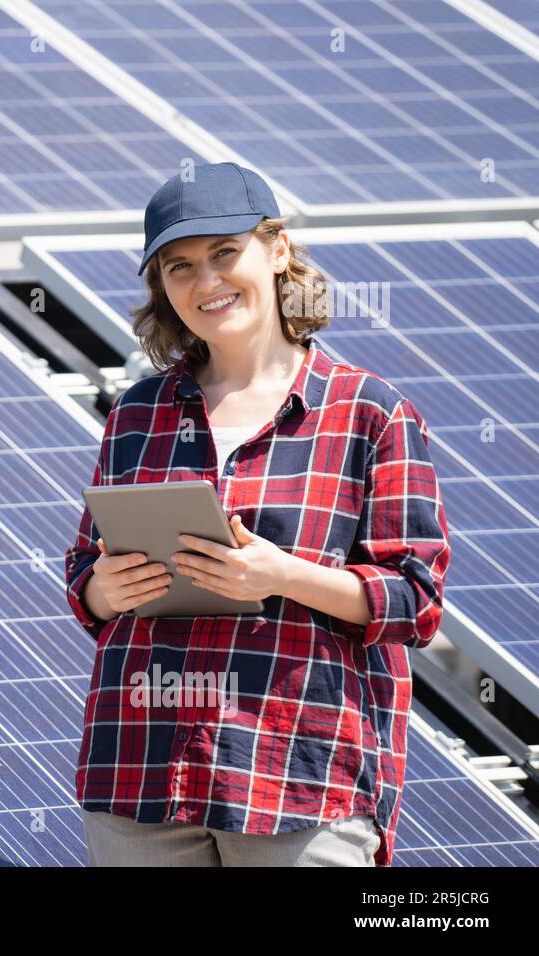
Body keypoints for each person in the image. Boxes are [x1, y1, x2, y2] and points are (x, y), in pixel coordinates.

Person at [65, 162, 451, 866]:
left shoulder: (369, 413)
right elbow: (86, 571)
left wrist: (281, 575)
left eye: (224, 253)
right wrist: (103, 588)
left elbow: (416, 602)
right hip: (141, 779)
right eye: (179, 266)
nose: (205, 281)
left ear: (277, 250)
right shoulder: (136, 415)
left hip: (296, 783)